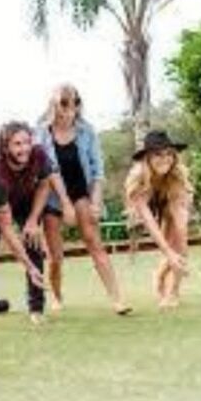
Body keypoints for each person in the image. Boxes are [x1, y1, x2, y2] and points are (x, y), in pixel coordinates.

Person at [34, 83, 130, 315]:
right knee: (55, 256)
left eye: (74, 102)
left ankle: (117, 299)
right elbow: (46, 172)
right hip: (51, 196)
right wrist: (64, 204)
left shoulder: (87, 131)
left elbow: (97, 172)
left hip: (80, 191)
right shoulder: (40, 132)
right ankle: (56, 297)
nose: (69, 108)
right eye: (63, 102)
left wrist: (96, 202)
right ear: (53, 104)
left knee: (94, 242)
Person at [0, 121, 57, 325]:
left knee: (34, 244)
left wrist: (32, 220)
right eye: (17, 144)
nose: (24, 149)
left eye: (27, 142)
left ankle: (36, 308)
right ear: (5, 147)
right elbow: (6, 228)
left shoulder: (38, 155)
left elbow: (45, 185)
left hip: (25, 202)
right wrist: (28, 267)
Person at [124, 130, 193, 310]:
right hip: (147, 199)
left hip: (171, 196)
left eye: (169, 153)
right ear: (147, 158)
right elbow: (149, 223)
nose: (165, 159)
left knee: (180, 235)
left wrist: (179, 252)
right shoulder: (137, 178)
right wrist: (169, 253)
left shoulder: (177, 174)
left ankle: (173, 291)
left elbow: (180, 222)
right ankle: (160, 276)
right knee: (167, 247)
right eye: (158, 155)